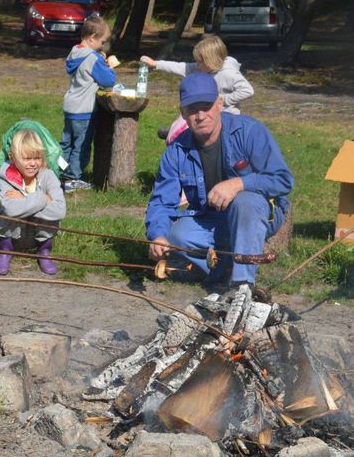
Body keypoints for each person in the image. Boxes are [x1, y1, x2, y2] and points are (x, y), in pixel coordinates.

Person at [145, 73, 294, 288]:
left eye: (206, 107)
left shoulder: (250, 131)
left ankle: (242, 286)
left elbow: (283, 180)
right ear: (183, 114)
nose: (201, 115)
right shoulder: (176, 150)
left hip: (256, 213)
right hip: (211, 218)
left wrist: (239, 184)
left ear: (220, 104)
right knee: (177, 235)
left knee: (245, 202)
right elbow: (161, 201)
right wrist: (157, 236)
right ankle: (225, 269)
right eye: (192, 110)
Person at [141, 34, 254, 143]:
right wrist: (156, 64)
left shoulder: (228, 74)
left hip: (226, 119)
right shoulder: (201, 68)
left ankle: (180, 135)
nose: (197, 65)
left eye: (199, 62)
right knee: (188, 115)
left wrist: (223, 100)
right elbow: (180, 67)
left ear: (210, 62)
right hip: (206, 112)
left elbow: (247, 90)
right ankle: (176, 133)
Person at [0, 129, 66, 276]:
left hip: (38, 235)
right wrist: (44, 198)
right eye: (26, 159)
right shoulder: (6, 176)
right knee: (4, 214)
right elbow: (12, 210)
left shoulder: (48, 175)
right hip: (12, 235)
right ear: (13, 157)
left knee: (52, 218)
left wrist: (24, 198)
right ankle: (5, 251)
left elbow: (60, 210)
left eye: (37, 158)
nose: (33, 163)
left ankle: (43, 252)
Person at [62, 15, 117, 192]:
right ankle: (73, 178)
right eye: (102, 42)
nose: (103, 46)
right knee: (81, 145)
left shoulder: (74, 51)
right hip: (84, 110)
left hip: (70, 106)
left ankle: (59, 172)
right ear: (92, 37)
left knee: (66, 144)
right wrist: (106, 63)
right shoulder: (93, 58)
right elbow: (108, 80)